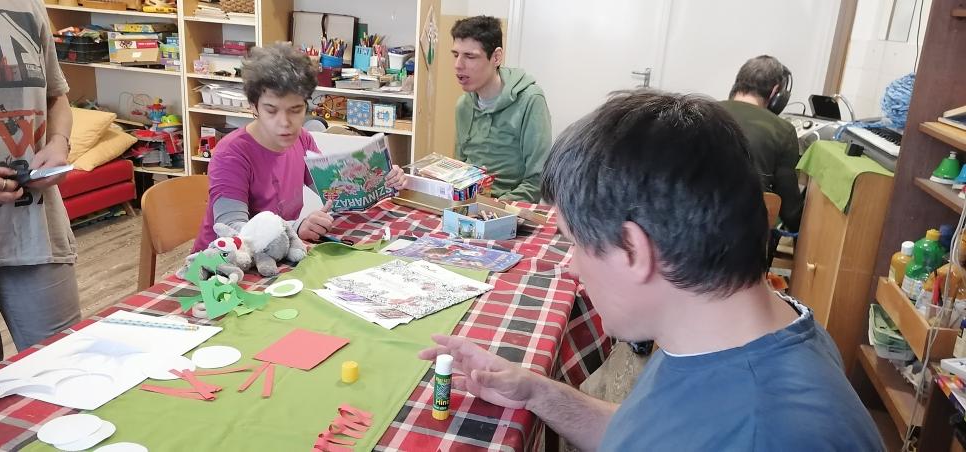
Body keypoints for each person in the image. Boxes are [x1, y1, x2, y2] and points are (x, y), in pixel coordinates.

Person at [420, 90, 883, 450]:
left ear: (633, 249)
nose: (573, 269)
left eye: (575, 244)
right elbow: (647, 434)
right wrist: (535, 393)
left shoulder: (766, 433)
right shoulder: (723, 333)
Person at [192, 43, 407, 252]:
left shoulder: (301, 139)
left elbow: (334, 191)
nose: (285, 123)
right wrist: (295, 228)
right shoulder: (231, 154)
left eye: (295, 110)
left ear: (306, 106)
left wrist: (382, 179)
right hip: (223, 262)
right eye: (271, 110)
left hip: (280, 252)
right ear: (253, 107)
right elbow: (232, 231)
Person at [0, 3, 80, 376]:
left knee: (65, 371)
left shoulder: (29, 5)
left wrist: (59, 143)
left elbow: (56, 96)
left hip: (35, 228)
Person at [451, 16, 551, 203]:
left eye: (470, 56)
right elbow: (460, 169)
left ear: (496, 57)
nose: (458, 65)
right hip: (469, 204)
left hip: (511, 208)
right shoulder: (463, 105)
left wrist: (495, 207)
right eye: (456, 55)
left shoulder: (530, 100)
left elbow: (538, 179)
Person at [719, 55, 803, 232]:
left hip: (688, 229)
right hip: (744, 235)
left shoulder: (702, 112)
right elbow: (790, 211)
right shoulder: (783, 130)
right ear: (775, 93)